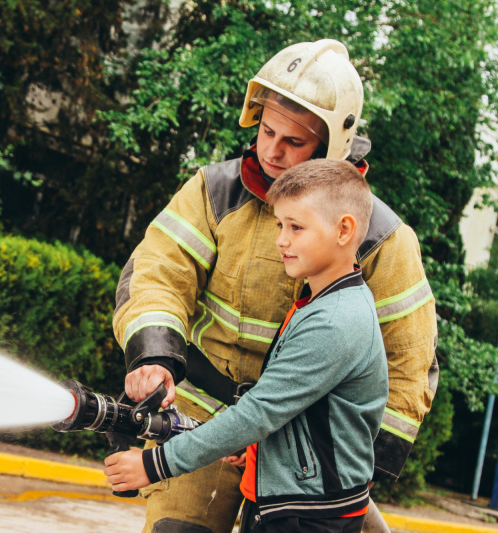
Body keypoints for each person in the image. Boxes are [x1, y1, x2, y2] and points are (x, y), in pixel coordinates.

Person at [113, 39, 438, 533]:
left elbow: (409, 362)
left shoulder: (381, 237)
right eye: (266, 130)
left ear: (333, 147)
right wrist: (155, 355)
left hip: (304, 447)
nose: (271, 150)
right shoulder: (214, 192)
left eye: (294, 141)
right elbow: (158, 272)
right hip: (203, 413)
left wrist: (356, 467)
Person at [106, 158, 390, 533]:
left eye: (296, 227)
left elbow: (259, 413)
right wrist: (258, 450)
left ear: (344, 230)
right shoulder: (322, 301)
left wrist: (154, 464)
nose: (281, 241)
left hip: (305, 517)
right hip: (296, 504)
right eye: (279, 225)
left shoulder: (335, 320)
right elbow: (300, 412)